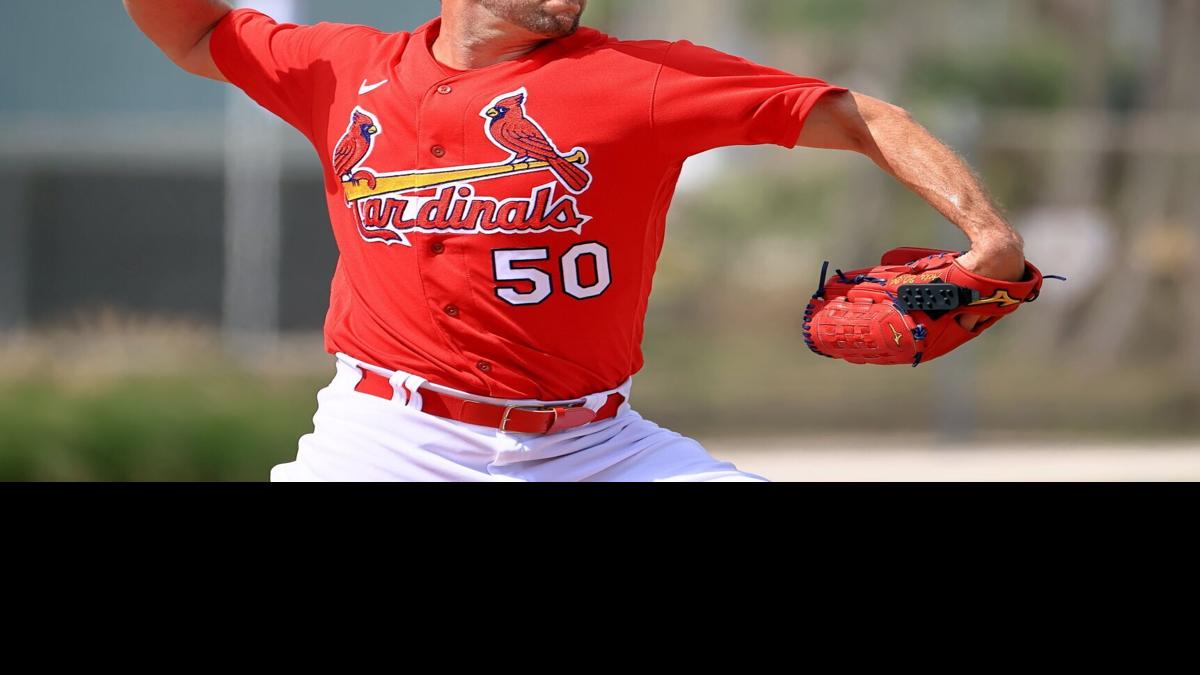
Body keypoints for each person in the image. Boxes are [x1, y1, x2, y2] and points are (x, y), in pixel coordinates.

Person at [123, 0, 1030, 482]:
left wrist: (987, 233)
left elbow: (856, 113)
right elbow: (193, 27)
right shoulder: (341, 69)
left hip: (595, 449)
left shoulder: (637, 79)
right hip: (388, 441)